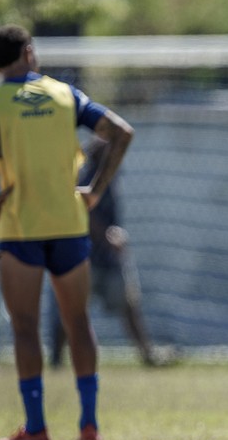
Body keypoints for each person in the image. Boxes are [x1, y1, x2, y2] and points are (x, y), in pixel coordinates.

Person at [0, 24, 134, 440]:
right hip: (69, 223)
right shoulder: (66, 95)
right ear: (29, 53)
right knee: (79, 322)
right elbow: (120, 132)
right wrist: (96, 190)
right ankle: (89, 425)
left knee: (25, 327)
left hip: (20, 228)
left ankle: (36, 427)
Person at [47, 137, 173, 368]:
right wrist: (106, 235)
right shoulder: (90, 177)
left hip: (108, 258)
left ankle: (147, 354)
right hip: (84, 256)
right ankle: (56, 359)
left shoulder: (111, 177)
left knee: (128, 305)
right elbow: (83, 208)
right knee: (71, 309)